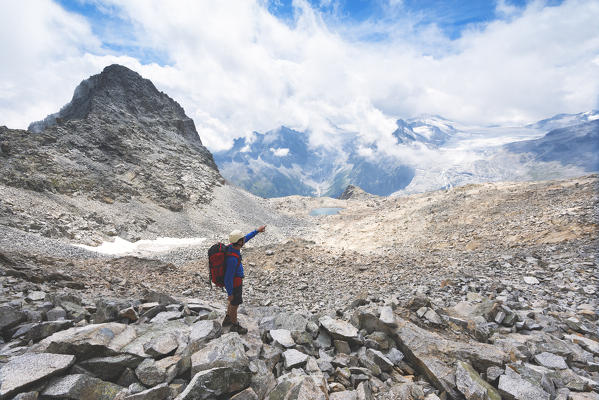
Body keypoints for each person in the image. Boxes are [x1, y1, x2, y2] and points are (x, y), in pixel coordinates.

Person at [222, 225, 266, 334]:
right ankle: (234, 325)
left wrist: (256, 231)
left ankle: (227, 319)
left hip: (236, 282)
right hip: (235, 284)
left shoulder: (232, 247)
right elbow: (228, 278)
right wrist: (230, 292)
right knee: (235, 304)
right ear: (239, 242)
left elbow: (247, 237)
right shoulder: (232, 259)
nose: (244, 241)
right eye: (242, 240)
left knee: (232, 303)